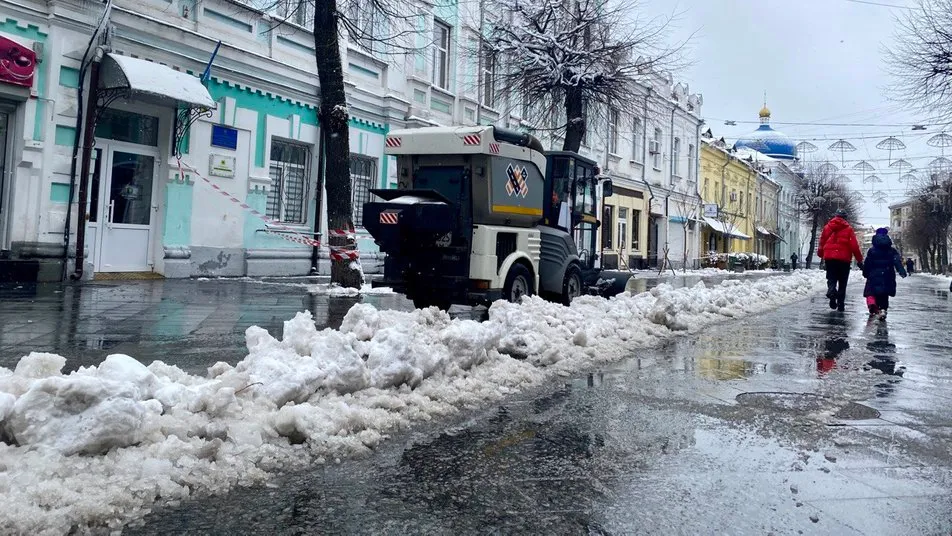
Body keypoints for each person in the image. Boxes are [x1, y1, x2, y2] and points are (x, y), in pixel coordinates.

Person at [817, 209, 864, 312]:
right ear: (845, 218)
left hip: (830, 258)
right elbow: (854, 246)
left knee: (831, 278)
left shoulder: (827, 227)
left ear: (835, 216)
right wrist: (860, 260)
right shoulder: (849, 229)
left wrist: (821, 253)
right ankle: (841, 305)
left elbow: (822, 241)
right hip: (844, 259)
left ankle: (832, 291)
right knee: (843, 282)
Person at [862, 228, 907, 320]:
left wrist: (866, 273)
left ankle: (878, 308)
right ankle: (883, 309)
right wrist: (901, 271)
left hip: (874, 274)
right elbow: (897, 261)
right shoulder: (892, 250)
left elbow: (868, 263)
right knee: (884, 293)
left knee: (876, 292)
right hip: (888, 274)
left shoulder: (872, 251)